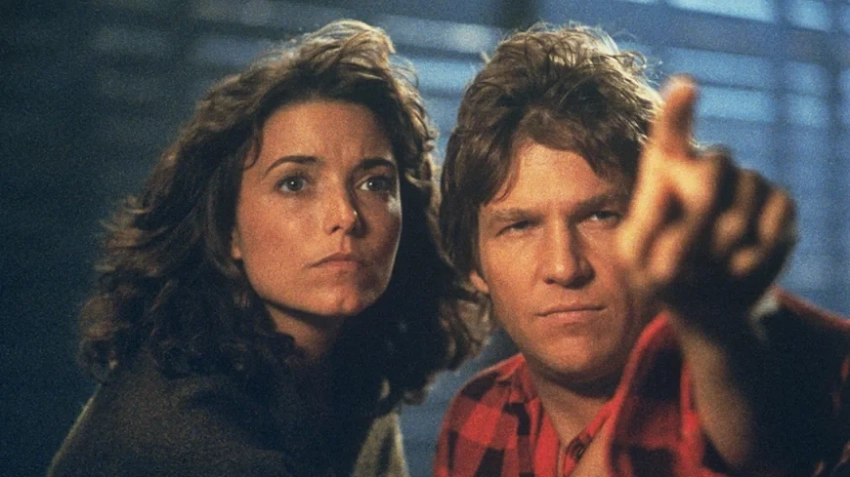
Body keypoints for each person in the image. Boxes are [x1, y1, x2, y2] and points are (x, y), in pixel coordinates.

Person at [47, 19, 480, 477]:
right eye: (294, 183)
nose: (346, 216)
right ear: (227, 229)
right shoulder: (186, 431)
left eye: (374, 183)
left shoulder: (351, 373)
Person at [434, 22, 849, 477]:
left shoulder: (748, 366)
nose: (564, 266)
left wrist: (719, 325)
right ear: (473, 263)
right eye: (520, 226)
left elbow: (772, 437)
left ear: (658, 223)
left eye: (600, 216)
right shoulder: (479, 415)